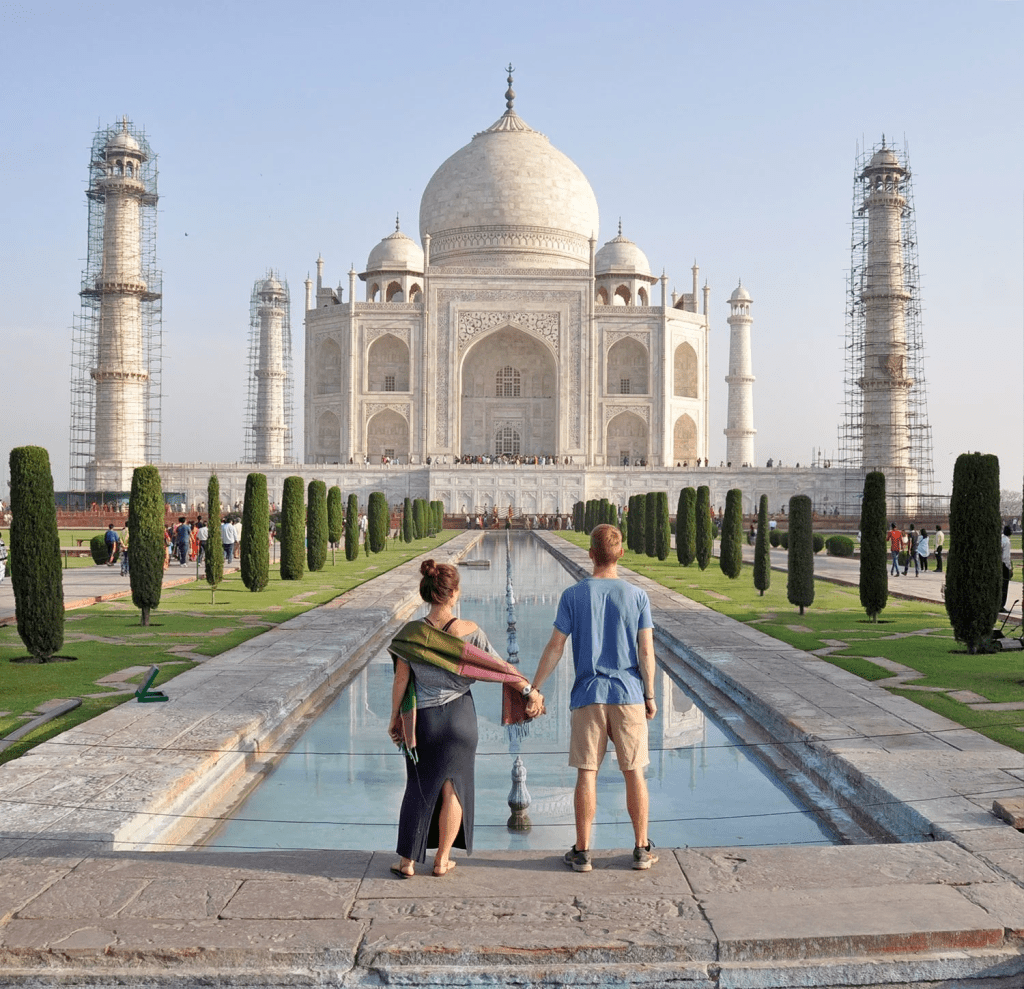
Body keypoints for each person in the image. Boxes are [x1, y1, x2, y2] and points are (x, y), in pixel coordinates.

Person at [386, 560, 543, 879]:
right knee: (453, 789)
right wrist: (530, 691)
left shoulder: (410, 635)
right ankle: (442, 860)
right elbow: (501, 668)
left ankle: (407, 862)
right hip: (460, 721)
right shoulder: (470, 631)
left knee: (417, 788)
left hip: (424, 722)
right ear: (454, 594)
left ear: (427, 594)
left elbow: (401, 682)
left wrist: (394, 719)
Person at [530, 523, 658, 872]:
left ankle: (583, 851)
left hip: (588, 694)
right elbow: (645, 651)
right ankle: (641, 848)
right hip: (629, 693)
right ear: (621, 554)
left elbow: (556, 646)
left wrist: (535, 687)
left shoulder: (574, 595)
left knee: (587, 773)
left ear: (590, 554)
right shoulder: (637, 596)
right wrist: (649, 694)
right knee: (635, 773)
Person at [1001, 525, 1013, 612]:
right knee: (1004, 586)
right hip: (1004, 566)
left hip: (998, 564)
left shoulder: (1001, 539)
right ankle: (1001, 605)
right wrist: (1009, 567)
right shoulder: (1007, 542)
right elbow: (1006, 557)